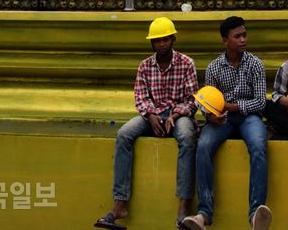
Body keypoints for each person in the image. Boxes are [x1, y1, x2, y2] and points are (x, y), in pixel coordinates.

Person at [94, 17, 198, 230]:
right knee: (124, 134)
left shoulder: (186, 63)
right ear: (152, 43)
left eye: (165, 39)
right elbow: (140, 97)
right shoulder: (144, 66)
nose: (161, 44)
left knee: (188, 137)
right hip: (152, 115)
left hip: (178, 115)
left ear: (173, 39)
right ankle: (119, 204)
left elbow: (192, 99)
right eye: (157, 40)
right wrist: (151, 115)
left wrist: (175, 115)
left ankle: (183, 207)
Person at [182, 16, 271, 230]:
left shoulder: (255, 64)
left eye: (244, 35)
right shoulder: (214, 68)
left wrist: (233, 106)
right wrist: (210, 116)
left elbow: (260, 102)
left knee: (259, 146)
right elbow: (206, 102)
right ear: (225, 41)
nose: (243, 40)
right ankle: (204, 214)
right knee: (203, 146)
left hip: (249, 117)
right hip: (222, 119)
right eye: (237, 36)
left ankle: (255, 214)